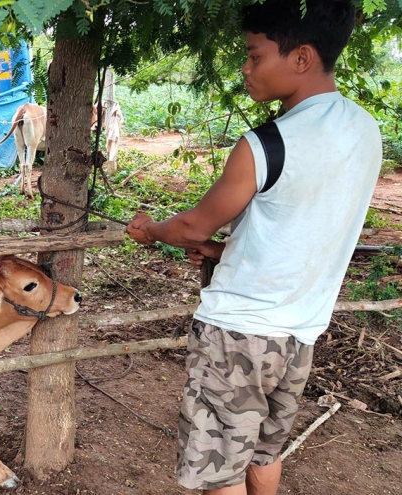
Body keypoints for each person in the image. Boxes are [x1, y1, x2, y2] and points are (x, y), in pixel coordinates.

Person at [125, 1, 381, 494]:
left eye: (254, 55)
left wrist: (152, 228)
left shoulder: (266, 143)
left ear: (301, 57)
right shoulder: (365, 130)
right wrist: (227, 255)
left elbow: (194, 227)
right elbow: (305, 226)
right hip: (300, 334)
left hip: (238, 334)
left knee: (220, 474)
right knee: (265, 453)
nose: (245, 69)